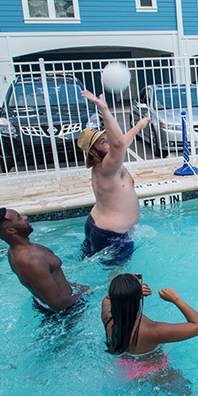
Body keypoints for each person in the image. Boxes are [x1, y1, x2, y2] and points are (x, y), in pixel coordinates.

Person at [77, 89, 150, 265]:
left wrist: (139, 127)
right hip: (111, 236)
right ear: (93, 152)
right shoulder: (107, 167)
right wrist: (104, 109)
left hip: (96, 225)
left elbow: (121, 142)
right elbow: (118, 145)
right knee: (116, 282)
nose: (109, 143)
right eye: (103, 142)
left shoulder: (104, 162)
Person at [0, 208, 88, 312]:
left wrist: (75, 286)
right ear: (11, 230)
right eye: (19, 218)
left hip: (50, 302)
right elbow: (57, 304)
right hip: (67, 311)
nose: (25, 218)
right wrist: (85, 293)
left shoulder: (13, 251)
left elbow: (50, 279)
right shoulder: (32, 262)